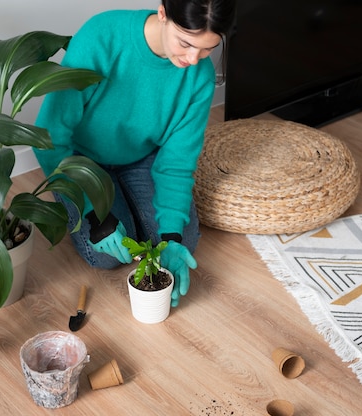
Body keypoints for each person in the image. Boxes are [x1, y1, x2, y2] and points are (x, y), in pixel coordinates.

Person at [33, 0, 236, 307]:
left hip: (142, 157)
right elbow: (51, 134)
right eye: (185, 43)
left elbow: (177, 163)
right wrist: (96, 215)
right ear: (163, 13)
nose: (194, 59)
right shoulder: (101, 37)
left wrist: (171, 237)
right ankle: (73, 198)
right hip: (81, 160)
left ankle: (131, 207)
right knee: (103, 255)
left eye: (207, 48)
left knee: (183, 240)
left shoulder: (200, 76)